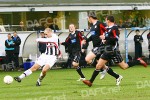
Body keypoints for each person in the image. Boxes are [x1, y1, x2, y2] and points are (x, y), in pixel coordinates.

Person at [83, 15, 147, 87]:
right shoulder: (108, 29)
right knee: (119, 66)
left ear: (108, 20)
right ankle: (137, 61)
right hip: (108, 50)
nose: (105, 21)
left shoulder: (114, 28)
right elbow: (108, 38)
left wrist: (106, 37)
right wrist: (104, 40)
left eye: (106, 20)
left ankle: (90, 81)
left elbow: (116, 38)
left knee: (103, 66)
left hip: (112, 50)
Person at [82, 12, 122, 85]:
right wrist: (86, 40)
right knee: (101, 65)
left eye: (88, 18)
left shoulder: (100, 24)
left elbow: (108, 31)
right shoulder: (92, 26)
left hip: (101, 46)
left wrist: (105, 38)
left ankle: (95, 77)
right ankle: (117, 76)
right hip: (96, 46)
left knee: (87, 59)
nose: (88, 19)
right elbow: (93, 36)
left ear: (90, 17)